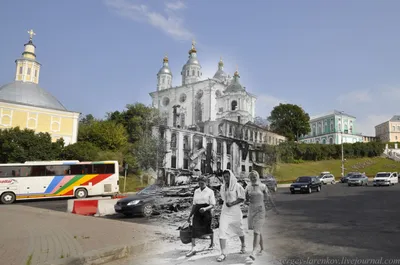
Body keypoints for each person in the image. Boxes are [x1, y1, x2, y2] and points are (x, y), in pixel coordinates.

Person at [244, 170, 278, 264]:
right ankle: (262, 248)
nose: (253, 178)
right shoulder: (248, 187)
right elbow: (245, 199)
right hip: (251, 210)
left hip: (260, 210)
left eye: (255, 177)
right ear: (250, 178)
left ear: (257, 177)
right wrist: (247, 202)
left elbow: (269, 198)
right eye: (251, 177)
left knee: (256, 231)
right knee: (257, 230)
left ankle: (253, 253)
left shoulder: (263, 186)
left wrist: (274, 208)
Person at [216, 169, 246, 262]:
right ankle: (223, 253)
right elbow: (223, 199)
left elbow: (242, 198)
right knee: (222, 229)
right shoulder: (222, 187)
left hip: (235, 211)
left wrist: (232, 203)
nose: (225, 178)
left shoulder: (237, 186)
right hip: (225, 210)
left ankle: (243, 245)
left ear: (231, 176)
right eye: (224, 177)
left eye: (227, 177)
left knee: (239, 229)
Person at [186, 176, 216, 257]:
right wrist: (190, 216)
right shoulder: (196, 191)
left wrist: (205, 209)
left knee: (208, 228)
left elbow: (213, 204)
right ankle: (193, 247)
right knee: (194, 229)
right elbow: (194, 204)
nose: (200, 185)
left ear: (206, 183)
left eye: (202, 183)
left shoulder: (210, 191)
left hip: (206, 212)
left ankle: (212, 243)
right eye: (199, 183)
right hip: (197, 212)